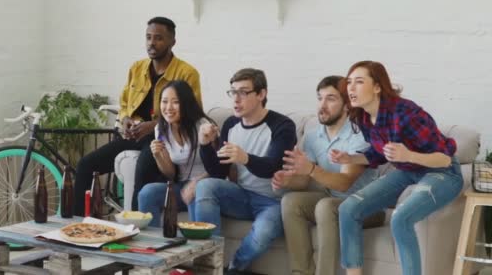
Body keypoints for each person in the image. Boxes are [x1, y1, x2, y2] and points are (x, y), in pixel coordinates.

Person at [334, 61, 463, 275]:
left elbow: (445, 159)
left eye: (358, 82)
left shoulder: (406, 113)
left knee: (401, 219)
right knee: (348, 209)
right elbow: (379, 154)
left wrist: (408, 155)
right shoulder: (364, 116)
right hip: (407, 171)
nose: (351, 88)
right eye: (349, 82)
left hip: (442, 173)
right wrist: (349, 158)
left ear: (377, 87)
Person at [73, 17, 202, 215]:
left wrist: (153, 126)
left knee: (142, 167)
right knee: (86, 164)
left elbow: (193, 113)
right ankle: (78, 225)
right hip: (134, 134)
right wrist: (125, 119)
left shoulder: (187, 72)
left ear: (172, 42)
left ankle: (134, 225)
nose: (151, 43)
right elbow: (125, 103)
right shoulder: (137, 68)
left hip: (163, 136)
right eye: (148, 37)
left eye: (158, 38)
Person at [272, 75, 385, 275]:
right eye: (320, 98)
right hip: (332, 199)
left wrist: (312, 170)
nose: (322, 105)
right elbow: (305, 179)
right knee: (291, 201)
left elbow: (344, 184)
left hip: (367, 205)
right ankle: (302, 272)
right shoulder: (314, 135)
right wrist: (287, 180)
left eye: (331, 99)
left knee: (326, 206)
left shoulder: (360, 135)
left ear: (347, 105)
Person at [195, 68, 297, 275]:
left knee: (264, 231)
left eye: (243, 92)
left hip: (273, 201)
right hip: (241, 195)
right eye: (233, 92)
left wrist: (245, 158)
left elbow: (273, 167)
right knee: (205, 185)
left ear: (261, 94)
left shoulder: (282, 126)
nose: (236, 99)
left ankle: (233, 268)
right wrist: (205, 146)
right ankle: (209, 264)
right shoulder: (231, 125)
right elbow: (218, 173)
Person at [138, 80, 213, 226]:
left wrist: (195, 183)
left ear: (186, 104)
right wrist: (158, 155)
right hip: (181, 186)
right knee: (147, 193)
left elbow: (219, 168)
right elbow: (171, 174)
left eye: (175, 102)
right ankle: (153, 244)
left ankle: (197, 246)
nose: (168, 108)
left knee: (193, 196)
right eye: (164, 102)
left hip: (205, 186)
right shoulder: (161, 129)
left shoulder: (203, 126)